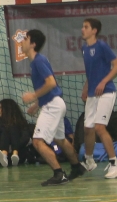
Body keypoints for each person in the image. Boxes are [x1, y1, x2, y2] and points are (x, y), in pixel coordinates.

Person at [21, 29, 85, 186]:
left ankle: (59, 174)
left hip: (53, 106)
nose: (22, 42)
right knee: (60, 139)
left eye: (25, 39)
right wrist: (37, 104)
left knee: (37, 142)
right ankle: (77, 167)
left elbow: (51, 83)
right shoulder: (36, 61)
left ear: (33, 44)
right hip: (54, 103)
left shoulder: (38, 61)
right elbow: (48, 87)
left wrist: (33, 96)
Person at [79, 18, 117, 179]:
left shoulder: (102, 46)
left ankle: (115, 164)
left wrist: (104, 82)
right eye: (83, 26)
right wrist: (86, 88)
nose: (82, 29)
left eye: (86, 27)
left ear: (94, 30)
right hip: (92, 94)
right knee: (88, 129)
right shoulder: (84, 49)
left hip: (106, 92)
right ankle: (89, 160)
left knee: (99, 127)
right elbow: (91, 72)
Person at [0, 98, 35, 166]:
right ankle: (4, 155)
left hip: (19, 153)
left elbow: (25, 138)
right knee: (5, 131)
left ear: (8, 109)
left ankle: (15, 154)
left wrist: (14, 147)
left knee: (12, 128)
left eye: (0, 108)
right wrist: (4, 147)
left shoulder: (21, 122)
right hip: (0, 154)